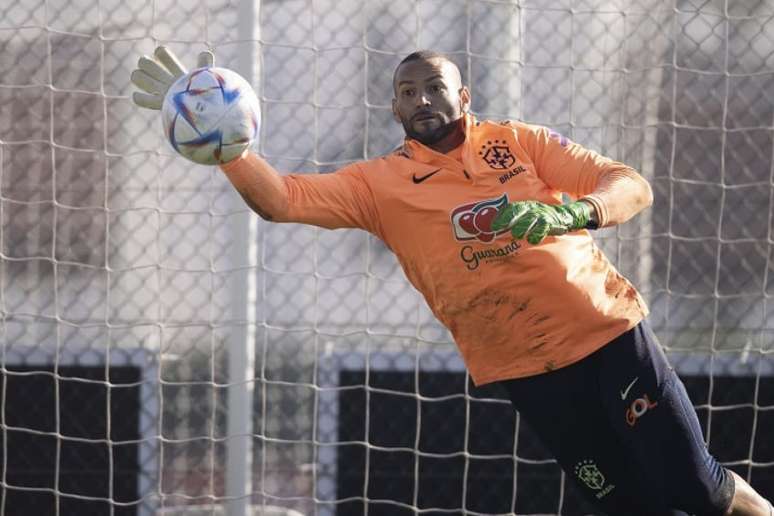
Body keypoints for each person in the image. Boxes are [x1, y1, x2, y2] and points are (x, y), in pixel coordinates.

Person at [131, 47, 773, 516]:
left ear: (464, 97)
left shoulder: (518, 143)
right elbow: (282, 199)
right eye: (406, 92)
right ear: (393, 107)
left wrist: (571, 210)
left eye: (434, 87)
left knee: (695, 488)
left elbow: (630, 184)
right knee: (627, 507)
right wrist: (223, 142)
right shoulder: (376, 186)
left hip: (606, 334)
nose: (421, 100)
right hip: (521, 368)